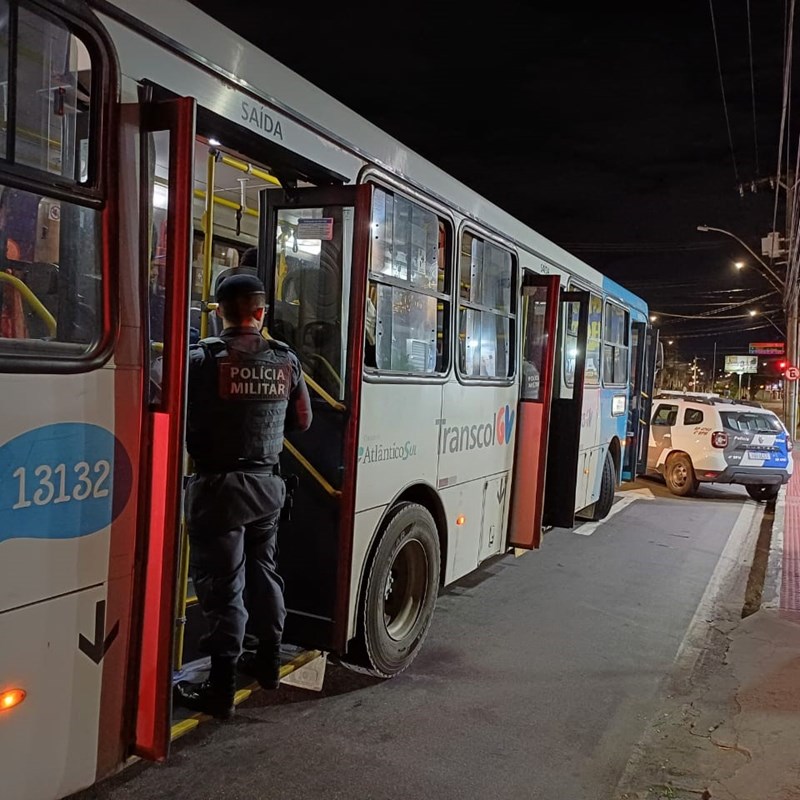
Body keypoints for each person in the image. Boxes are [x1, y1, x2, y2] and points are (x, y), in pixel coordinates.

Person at [174, 273, 312, 719]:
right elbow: (303, 421)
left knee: (222, 585)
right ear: (261, 313)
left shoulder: (201, 359)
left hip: (218, 489)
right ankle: (269, 662)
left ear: (217, 313)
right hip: (268, 486)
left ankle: (220, 686)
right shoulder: (286, 359)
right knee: (263, 571)